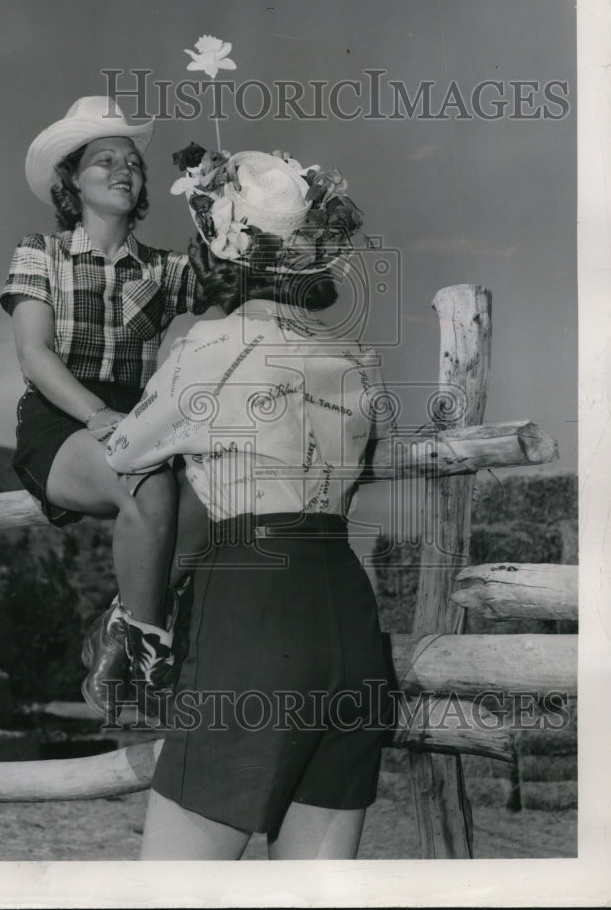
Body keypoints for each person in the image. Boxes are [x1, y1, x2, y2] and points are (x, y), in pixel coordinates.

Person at [105, 147, 395, 859]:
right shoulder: (359, 362)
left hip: (251, 617)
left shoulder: (209, 346)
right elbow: (355, 475)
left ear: (224, 255)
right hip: (351, 621)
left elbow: (125, 455)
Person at [0, 97, 208, 717]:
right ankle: (151, 656)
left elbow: (232, 289)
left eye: (133, 163)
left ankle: (120, 625)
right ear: (71, 182)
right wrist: (96, 416)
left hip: (136, 422)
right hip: (62, 421)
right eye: (104, 160)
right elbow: (34, 354)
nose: (123, 170)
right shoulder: (41, 252)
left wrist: (223, 206)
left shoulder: (168, 270)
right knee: (145, 482)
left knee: (215, 504)